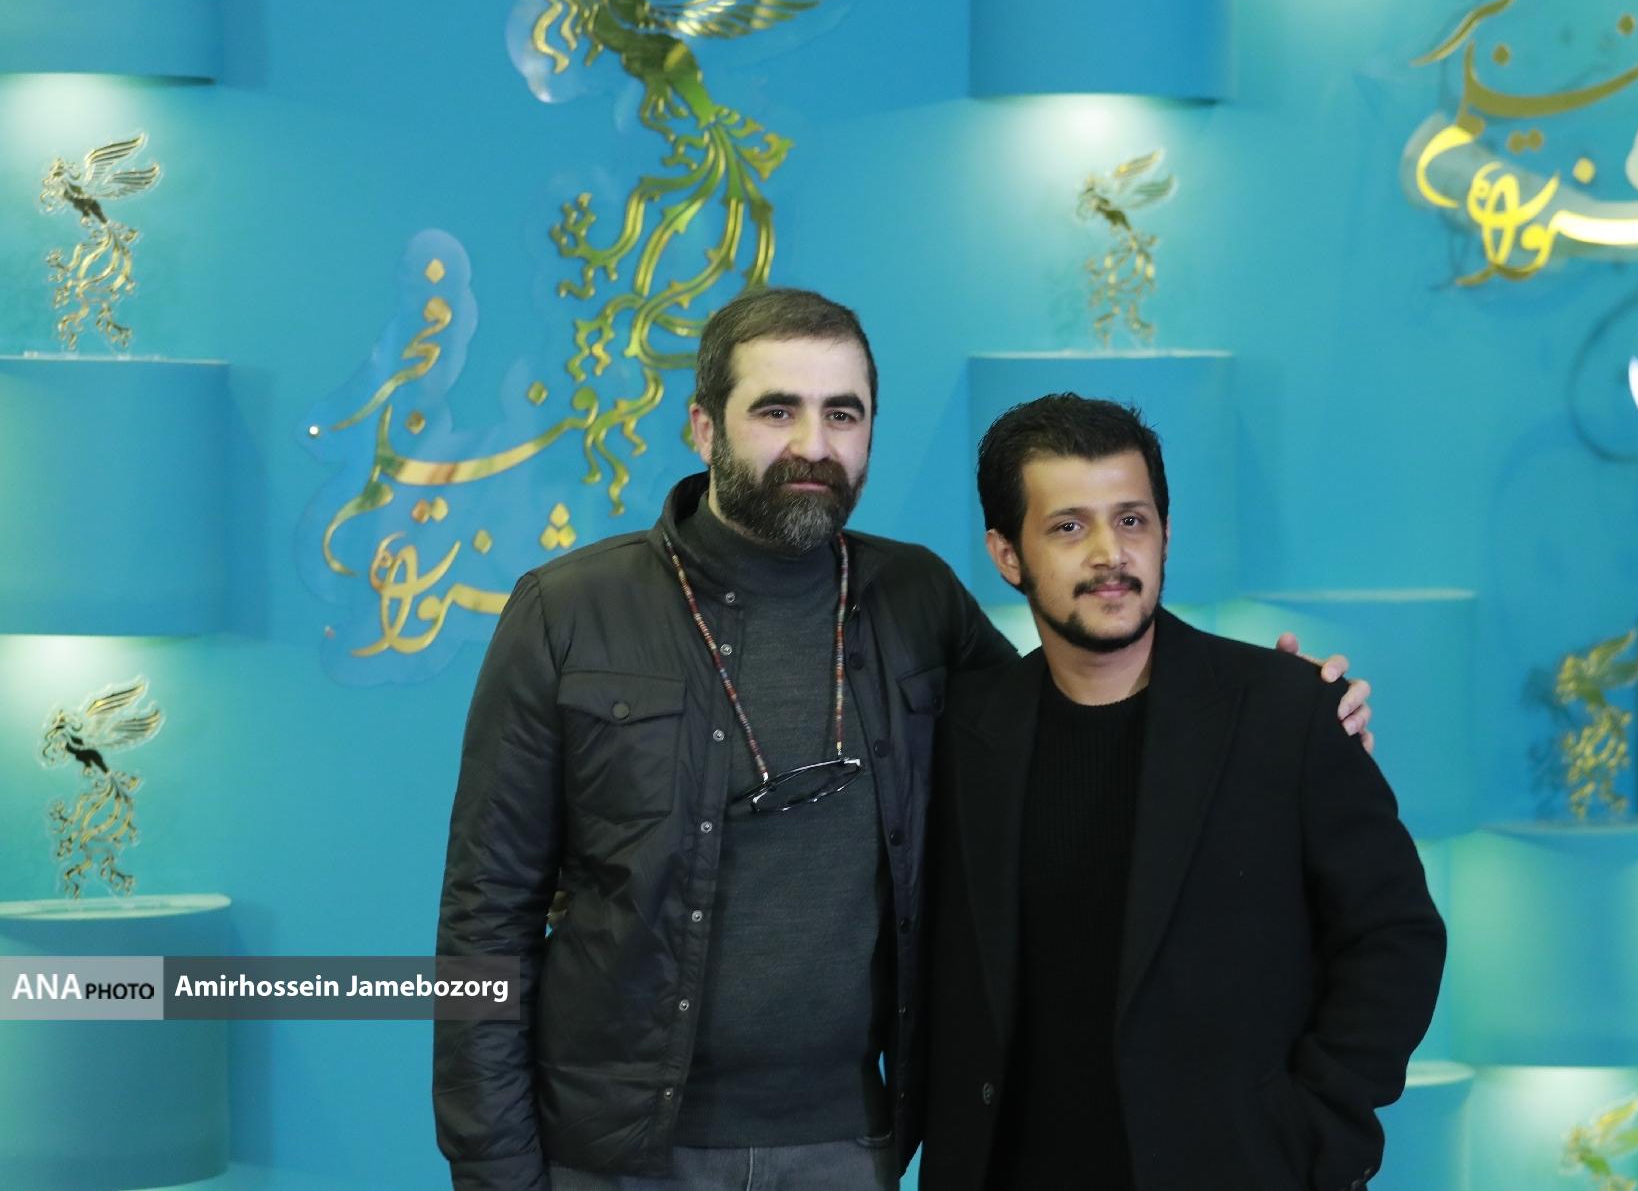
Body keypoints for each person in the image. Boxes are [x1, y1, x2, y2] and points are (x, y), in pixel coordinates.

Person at [433, 288, 1375, 1191]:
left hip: (852, 1149)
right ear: (704, 427)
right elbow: (485, 920)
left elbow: (1072, 719)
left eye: (843, 414)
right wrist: (494, 1171)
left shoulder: (917, 601)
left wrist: (1282, 718)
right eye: (777, 410)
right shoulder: (566, 613)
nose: (814, 445)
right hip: (617, 1156)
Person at [921, 394, 1444, 1191]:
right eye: (1069, 526)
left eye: (1131, 520)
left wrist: (1314, 1129)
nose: (1110, 553)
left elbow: (1396, 935)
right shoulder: (960, 731)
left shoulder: (1288, 711)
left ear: (1166, 533)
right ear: (1007, 554)